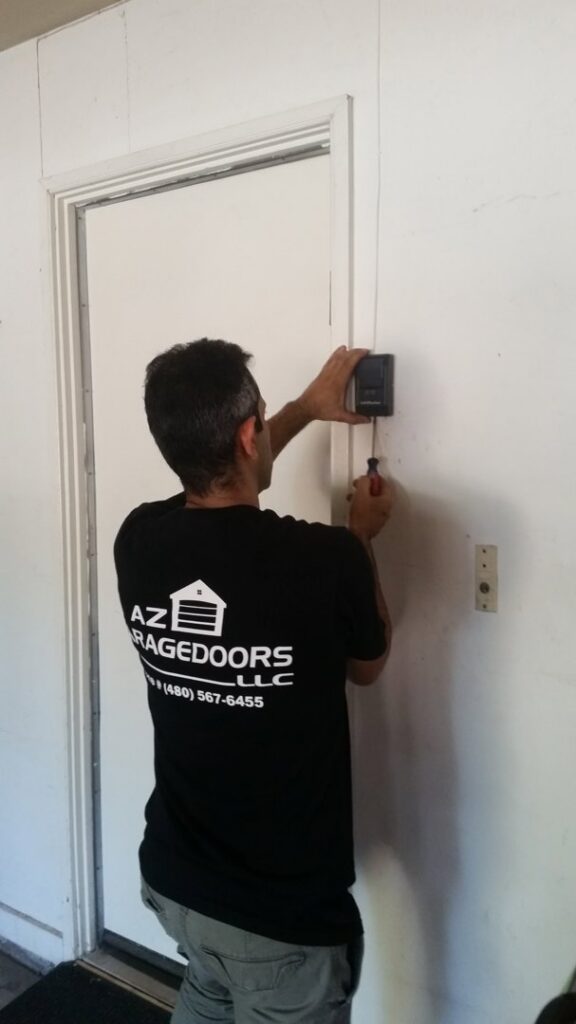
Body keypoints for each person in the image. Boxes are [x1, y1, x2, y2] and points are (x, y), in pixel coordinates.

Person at [114, 338, 393, 1024]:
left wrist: (298, 409)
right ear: (248, 434)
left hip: (177, 882)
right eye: (263, 420)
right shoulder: (328, 559)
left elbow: (213, 486)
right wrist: (363, 538)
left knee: (210, 993)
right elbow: (368, 665)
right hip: (276, 921)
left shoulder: (138, 540)